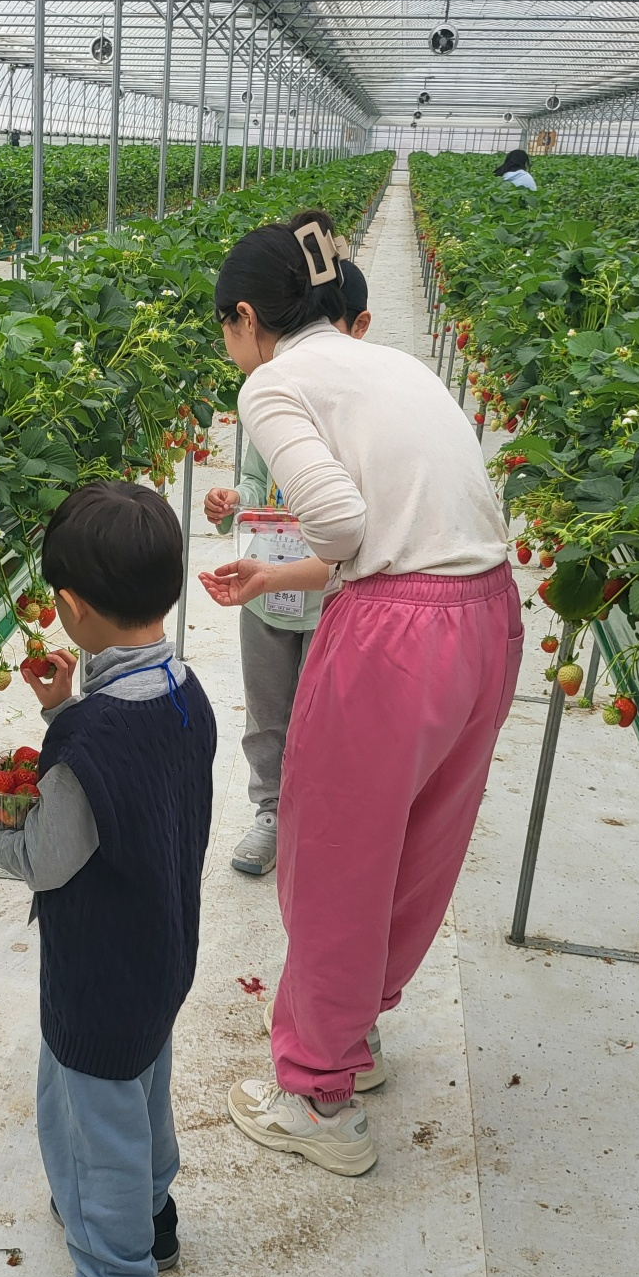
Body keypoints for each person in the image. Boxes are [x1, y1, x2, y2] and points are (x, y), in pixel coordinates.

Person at [198, 211, 519, 1179]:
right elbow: (404, 533)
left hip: (395, 641)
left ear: (245, 316)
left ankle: (315, 1096)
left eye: (224, 328)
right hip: (485, 616)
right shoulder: (385, 364)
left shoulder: (272, 381)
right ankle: (354, 1032)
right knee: (417, 842)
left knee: (334, 854)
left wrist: (305, 552)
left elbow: (341, 523)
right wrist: (278, 575)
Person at [0, 482, 217, 1277]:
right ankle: (151, 1213)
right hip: (162, 952)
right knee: (142, 1094)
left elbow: (49, 854)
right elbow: (129, 784)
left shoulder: (88, 739)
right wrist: (62, 710)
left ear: (68, 606)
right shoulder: (186, 691)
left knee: (89, 1124)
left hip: (99, 974)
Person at [203, 258, 372, 876]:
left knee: (323, 711)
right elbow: (255, 482)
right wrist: (233, 502)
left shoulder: (355, 411)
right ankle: (270, 812)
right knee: (267, 708)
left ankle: (316, 815)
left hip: (332, 593)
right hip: (264, 584)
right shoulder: (265, 405)